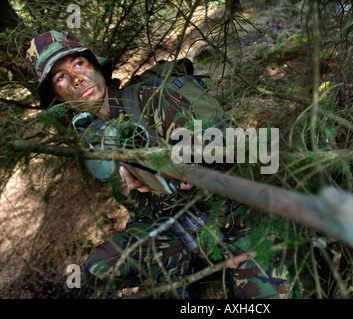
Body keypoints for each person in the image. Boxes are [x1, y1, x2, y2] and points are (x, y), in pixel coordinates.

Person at [26, 30, 296, 298]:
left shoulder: (150, 100)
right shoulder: (94, 138)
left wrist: (192, 170)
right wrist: (133, 193)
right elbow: (146, 214)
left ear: (96, 67)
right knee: (99, 267)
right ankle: (183, 268)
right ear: (58, 98)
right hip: (178, 230)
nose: (76, 79)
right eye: (60, 77)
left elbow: (224, 159)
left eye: (78, 63)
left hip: (230, 216)